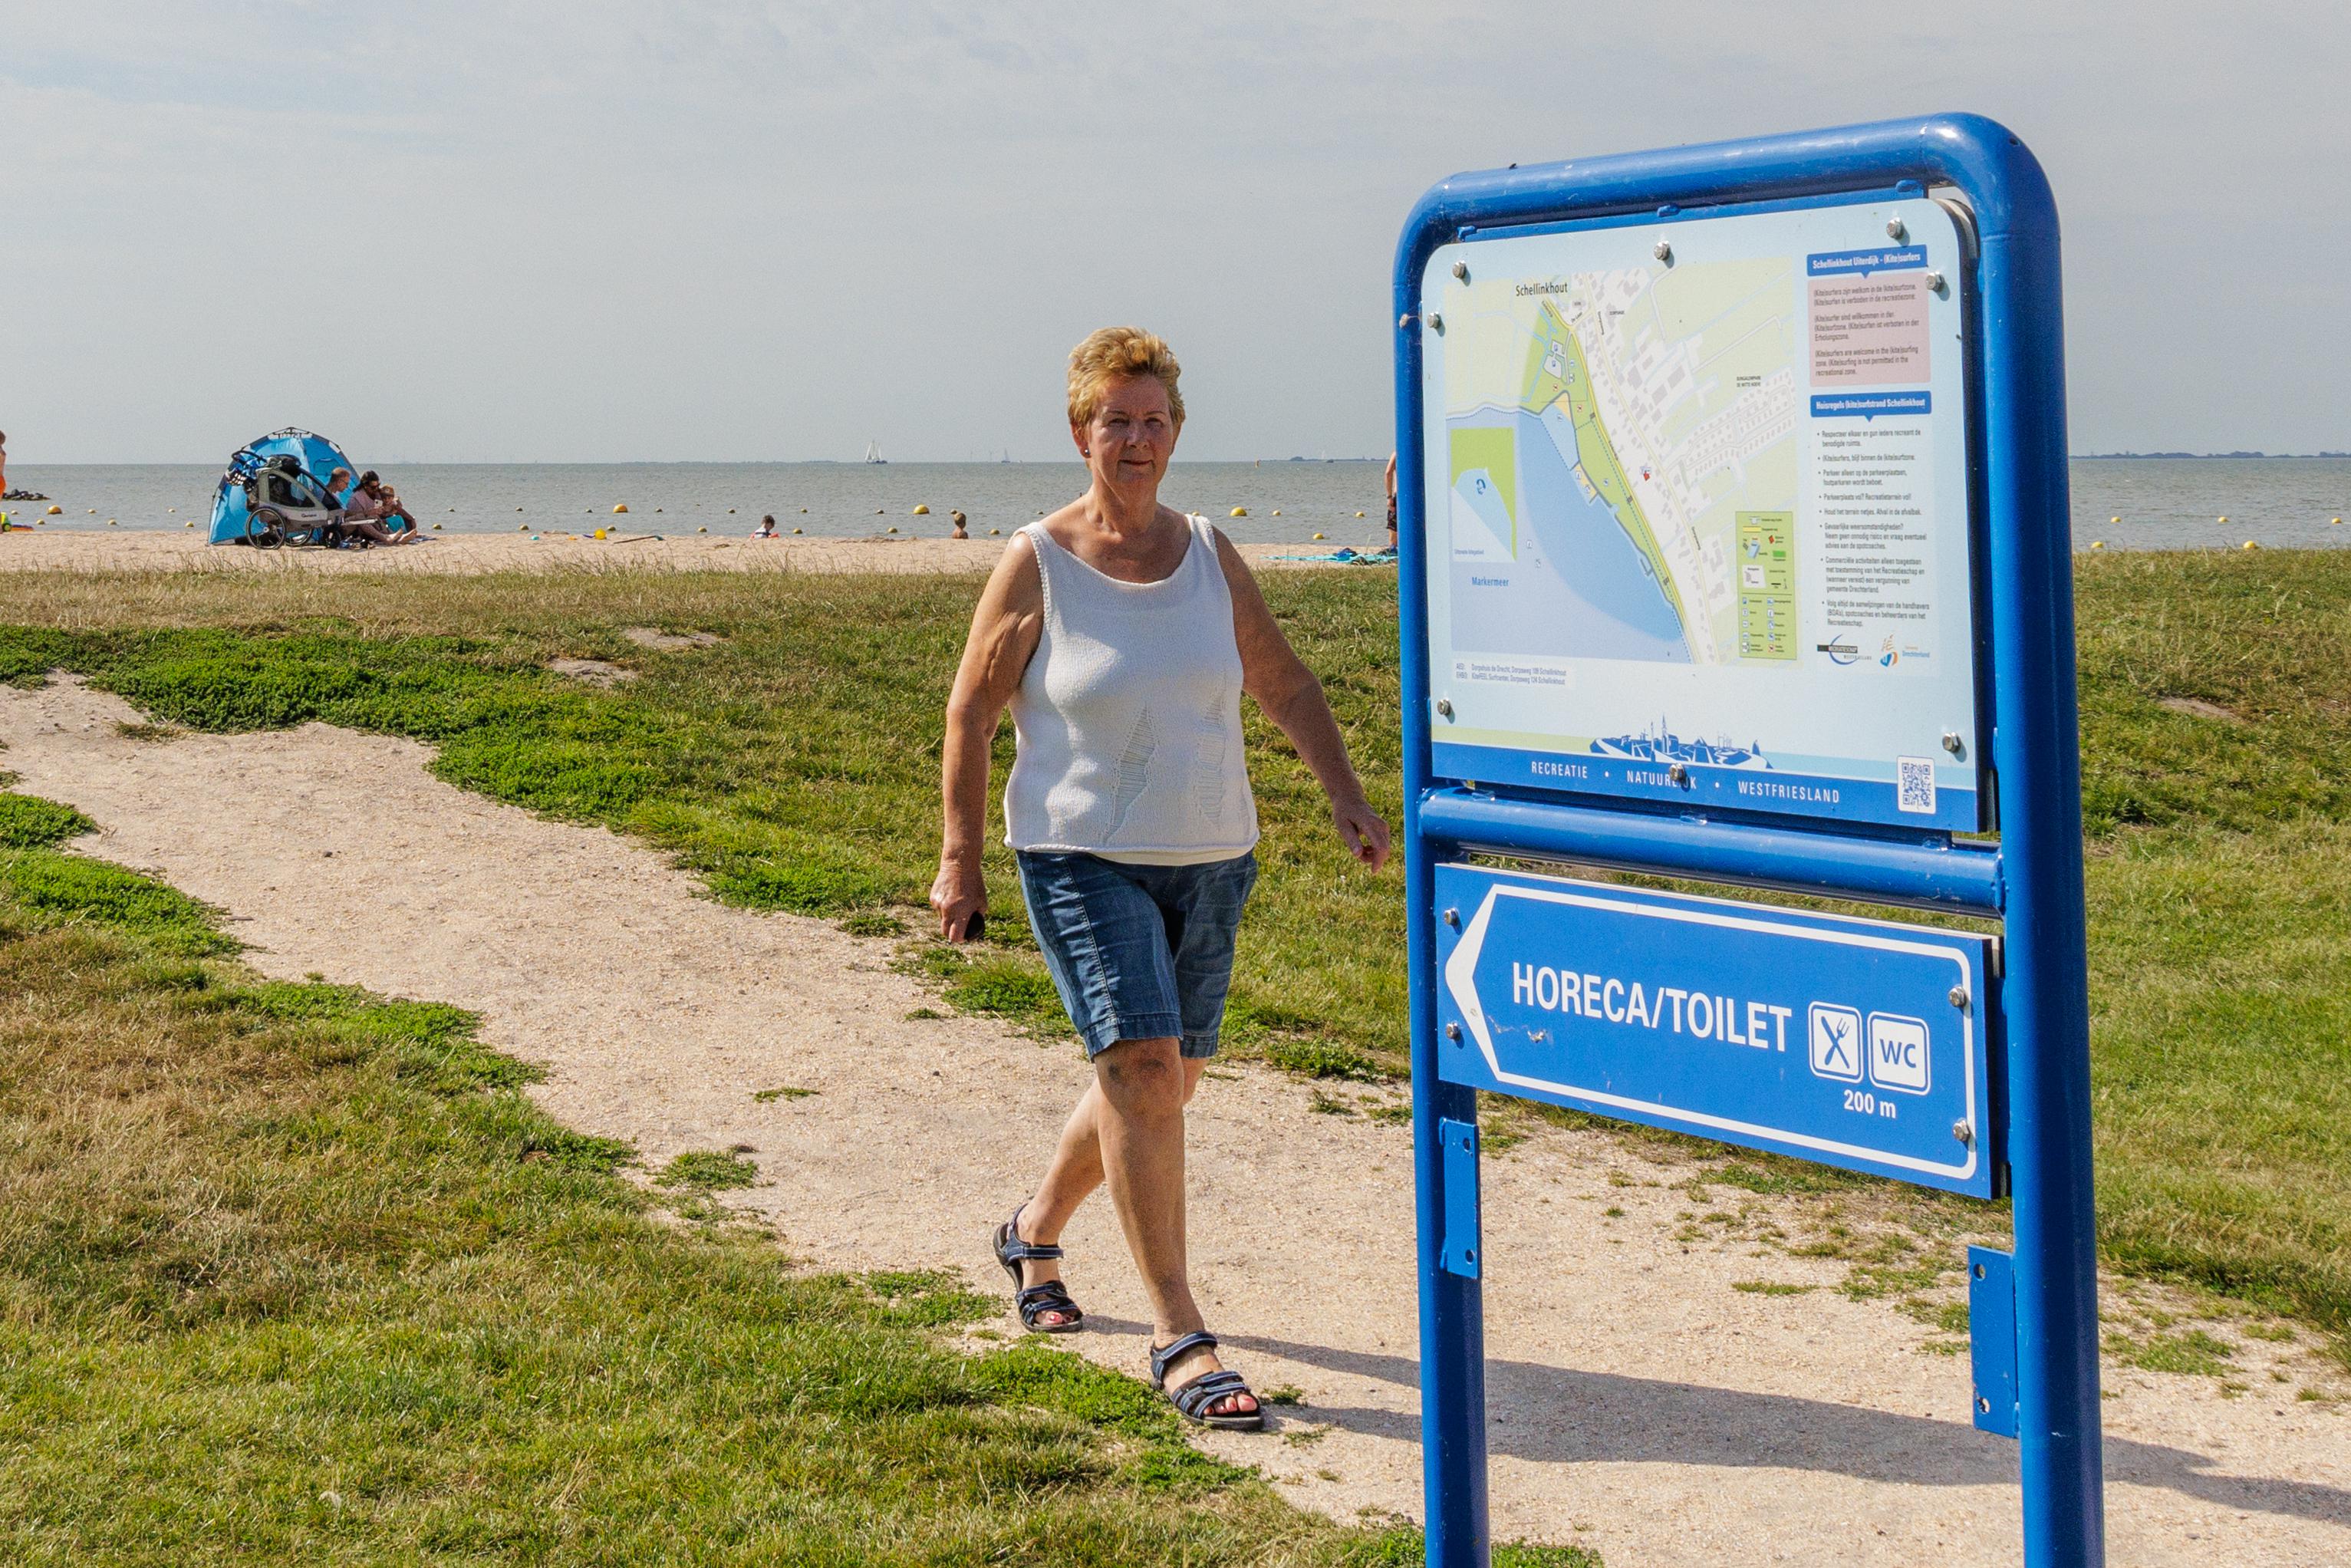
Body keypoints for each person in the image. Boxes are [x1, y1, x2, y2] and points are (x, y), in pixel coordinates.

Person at [931, 327, 1391, 1431]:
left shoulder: (1207, 552)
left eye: (1152, 421)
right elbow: (972, 710)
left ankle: (1033, 1232)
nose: (1134, 440)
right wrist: (959, 856)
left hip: (1212, 855)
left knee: (1165, 1083)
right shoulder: (1037, 558)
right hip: (1080, 854)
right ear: (1079, 430)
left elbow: (1280, 683)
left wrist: (1343, 791)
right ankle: (1181, 1337)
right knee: (1141, 1069)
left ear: (1175, 432)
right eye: (1113, 421)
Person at [339, 469, 427, 545]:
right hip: (360, 528)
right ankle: (389, 537)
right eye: (373, 487)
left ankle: (396, 536)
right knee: (370, 518)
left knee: (383, 517)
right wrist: (368, 512)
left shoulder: (377, 493)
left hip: (376, 522)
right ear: (365, 486)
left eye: (378, 486)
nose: (376, 489)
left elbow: (394, 506)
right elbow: (355, 517)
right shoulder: (356, 499)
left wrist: (410, 518)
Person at [1384, 450, 1398, 554]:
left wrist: (1389, 497)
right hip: (1418, 495)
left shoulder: (1397, 452)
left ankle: (1393, 549)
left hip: (1399, 495)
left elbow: (1388, 473)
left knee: (1394, 530)